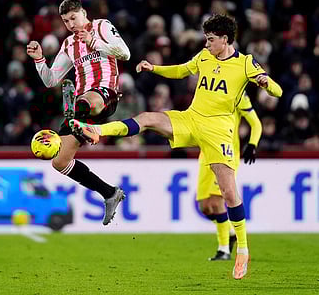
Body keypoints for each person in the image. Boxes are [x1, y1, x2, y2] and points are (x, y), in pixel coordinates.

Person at [70, 14, 282, 278]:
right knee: (147, 118)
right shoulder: (204, 57)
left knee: (229, 193)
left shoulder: (245, 63)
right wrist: (153, 68)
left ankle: (242, 251)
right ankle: (97, 130)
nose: (206, 44)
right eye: (206, 39)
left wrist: (266, 83)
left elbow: (278, 92)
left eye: (211, 40)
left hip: (219, 132)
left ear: (225, 39)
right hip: (191, 119)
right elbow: (182, 70)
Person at [26, 0, 131, 226]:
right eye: (65, 21)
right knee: (60, 162)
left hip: (104, 94)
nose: (71, 24)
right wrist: (39, 60)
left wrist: (97, 44)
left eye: (73, 18)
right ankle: (110, 193)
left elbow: (125, 53)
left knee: (86, 100)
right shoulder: (68, 44)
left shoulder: (101, 26)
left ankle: (82, 120)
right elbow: (51, 79)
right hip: (79, 108)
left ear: (83, 13)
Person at [199, 93, 262, 262]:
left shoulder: (238, 95)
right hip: (205, 153)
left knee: (216, 201)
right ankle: (231, 232)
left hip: (224, 154)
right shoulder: (205, 92)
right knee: (204, 206)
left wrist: (253, 144)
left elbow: (256, 124)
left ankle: (224, 249)